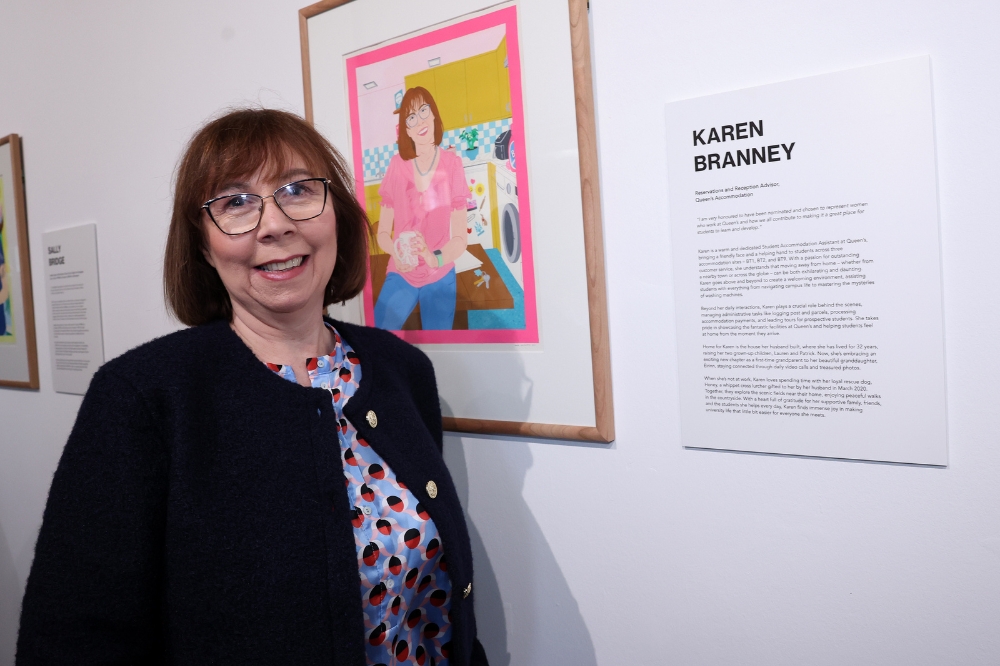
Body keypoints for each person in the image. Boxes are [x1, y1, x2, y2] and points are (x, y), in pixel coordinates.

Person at [17, 108, 489, 666]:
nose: (274, 224)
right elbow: (74, 642)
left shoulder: (400, 370)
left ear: (334, 212)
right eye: (235, 202)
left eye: (297, 190)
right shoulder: (143, 398)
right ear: (202, 245)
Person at [374, 87, 469, 330]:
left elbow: (459, 239)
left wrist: (432, 258)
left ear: (435, 115)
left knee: (440, 349)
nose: (420, 121)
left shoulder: (453, 165)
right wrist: (396, 254)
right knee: (377, 342)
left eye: (424, 110)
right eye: (411, 117)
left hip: (439, 272)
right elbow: (383, 233)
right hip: (401, 272)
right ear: (406, 129)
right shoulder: (397, 166)